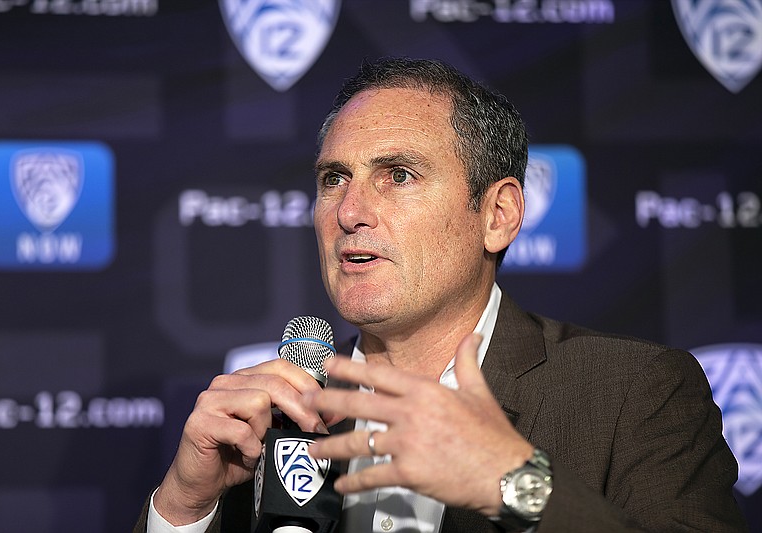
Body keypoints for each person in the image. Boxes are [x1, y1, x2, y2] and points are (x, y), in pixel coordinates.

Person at [134, 57, 747, 532]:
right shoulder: (276, 415)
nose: (350, 211)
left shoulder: (633, 392)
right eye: (333, 179)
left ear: (498, 214)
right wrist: (184, 506)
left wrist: (516, 483)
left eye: (398, 176)